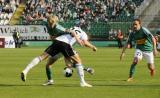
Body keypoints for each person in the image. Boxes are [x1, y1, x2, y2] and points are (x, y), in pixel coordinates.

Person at [21, 16, 97, 87]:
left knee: (45, 61)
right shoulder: (62, 28)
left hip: (57, 42)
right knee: (77, 62)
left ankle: (26, 71)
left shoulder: (47, 22)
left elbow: (42, 18)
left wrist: (32, 19)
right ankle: (82, 82)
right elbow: (84, 41)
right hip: (65, 44)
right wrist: (92, 46)